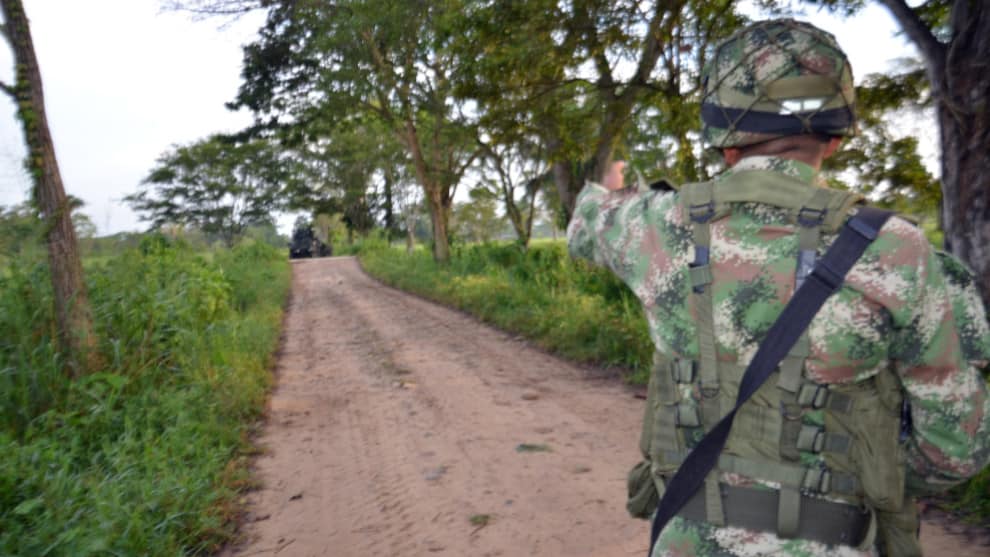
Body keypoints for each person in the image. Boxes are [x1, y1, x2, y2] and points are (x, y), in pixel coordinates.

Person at [567, 18, 990, 557]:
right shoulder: (897, 250)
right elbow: (955, 448)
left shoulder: (653, 224)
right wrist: (867, 473)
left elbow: (584, 223)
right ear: (834, 138)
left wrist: (610, 185)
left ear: (723, 138)